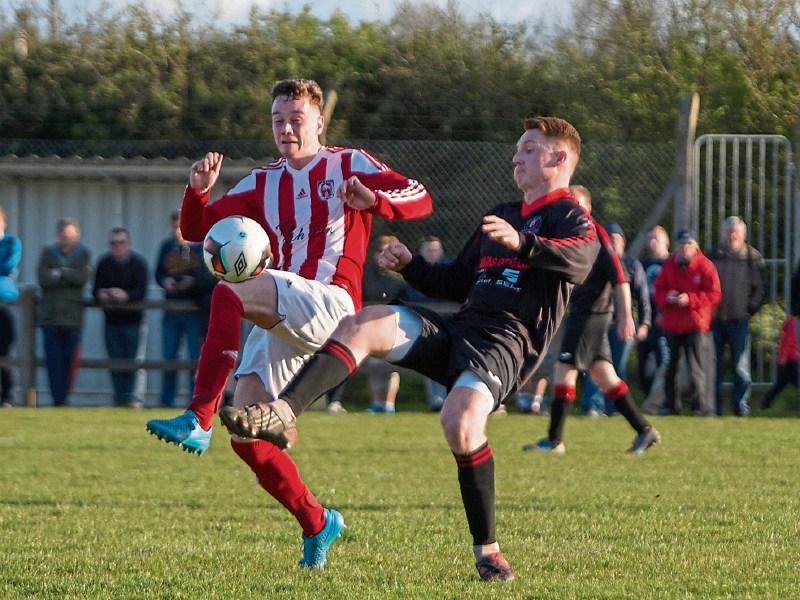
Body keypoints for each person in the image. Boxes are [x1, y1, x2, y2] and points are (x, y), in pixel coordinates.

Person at [218, 116, 598, 581]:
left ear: (558, 159)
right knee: (365, 323)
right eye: (518, 147)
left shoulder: (570, 216)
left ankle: (488, 550)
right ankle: (285, 411)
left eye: (529, 149)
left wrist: (523, 243)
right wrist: (411, 266)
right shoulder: (503, 213)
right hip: (462, 329)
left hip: (507, 344)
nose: (516, 156)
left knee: (458, 423)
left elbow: (579, 261)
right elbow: (458, 282)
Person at [146, 78, 432, 569]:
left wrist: (373, 201)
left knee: (229, 288)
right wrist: (198, 194)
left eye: (296, 119)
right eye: (278, 120)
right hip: (284, 309)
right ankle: (318, 522)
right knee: (249, 439)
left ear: (319, 122)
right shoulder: (262, 181)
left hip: (332, 305)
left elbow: (419, 197)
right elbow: (197, 232)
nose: (286, 128)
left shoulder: (349, 163)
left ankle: (197, 417)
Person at [525, 187, 659, 454]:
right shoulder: (568, 231)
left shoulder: (595, 233)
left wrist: (625, 316)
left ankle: (554, 441)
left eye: (577, 203)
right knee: (605, 376)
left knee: (564, 370)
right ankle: (645, 431)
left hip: (592, 315)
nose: (571, 208)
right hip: (586, 313)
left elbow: (620, 275)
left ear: (587, 207)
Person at [581, 222, 651, 416]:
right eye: (609, 239)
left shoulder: (631, 265)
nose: (612, 243)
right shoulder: (595, 263)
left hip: (622, 324)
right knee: (595, 366)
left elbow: (643, 296)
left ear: (623, 243)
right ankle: (593, 405)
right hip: (598, 321)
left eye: (616, 240)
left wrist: (644, 323)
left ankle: (616, 406)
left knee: (618, 367)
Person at [653, 229, 721, 416]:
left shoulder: (705, 266)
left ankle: (700, 406)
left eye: (689, 244)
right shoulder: (669, 266)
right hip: (672, 323)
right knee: (671, 365)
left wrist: (690, 299)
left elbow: (714, 294)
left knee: (696, 366)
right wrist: (668, 297)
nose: (685, 248)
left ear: (695, 246)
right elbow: (658, 290)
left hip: (695, 323)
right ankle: (671, 405)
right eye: (682, 244)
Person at [154, 210, 212, 407]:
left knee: (193, 358)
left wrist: (192, 282)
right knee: (169, 357)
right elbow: (157, 273)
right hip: (171, 309)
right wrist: (165, 281)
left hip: (193, 311)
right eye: (175, 227)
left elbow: (207, 277)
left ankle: (193, 399)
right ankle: (166, 400)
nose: (178, 231)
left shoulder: (200, 249)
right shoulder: (165, 247)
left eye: (181, 227)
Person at [710, 216, 765, 416]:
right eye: (729, 231)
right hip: (715, 319)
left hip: (739, 318)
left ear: (743, 235)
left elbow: (760, 289)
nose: (732, 235)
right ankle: (714, 406)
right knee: (713, 365)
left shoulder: (752, 257)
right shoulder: (713, 255)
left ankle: (740, 406)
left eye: (736, 232)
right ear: (723, 233)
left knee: (741, 365)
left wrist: (750, 309)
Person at [37, 217, 92, 407]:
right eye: (63, 235)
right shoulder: (47, 253)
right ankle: (57, 400)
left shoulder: (83, 254)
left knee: (70, 362)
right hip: (50, 318)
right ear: (58, 235)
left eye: (70, 235)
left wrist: (60, 272)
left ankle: (65, 397)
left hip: (72, 318)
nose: (66, 239)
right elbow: (43, 279)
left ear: (76, 235)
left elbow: (81, 278)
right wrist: (67, 274)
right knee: (53, 362)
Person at [92, 227, 149, 408]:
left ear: (128, 244)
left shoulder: (139, 264)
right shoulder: (103, 263)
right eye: (113, 243)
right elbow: (95, 289)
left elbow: (141, 291)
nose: (117, 246)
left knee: (134, 364)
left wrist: (126, 295)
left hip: (134, 321)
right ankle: (119, 399)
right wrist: (102, 294)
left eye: (121, 243)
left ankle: (134, 400)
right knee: (115, 363)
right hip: (111, 322)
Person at [361, 234, 408, 414]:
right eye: (381, 251)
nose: (385, 255)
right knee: (374, 365)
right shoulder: (365, 275)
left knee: (392, 365)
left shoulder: (402, 277)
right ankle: (376, 402)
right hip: (368, 327)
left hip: (396, 327)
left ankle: (389, 404)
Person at [404, 235, 450, 412]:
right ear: (420, 253)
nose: (432, 253)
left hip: (450, 323)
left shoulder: (450, 271)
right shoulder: (412, 272)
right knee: (431, 359)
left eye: (435, 249)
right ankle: (436, 401)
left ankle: (450, 399)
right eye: (428, 250)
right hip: (423, 324)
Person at [637, 225, 671, 396]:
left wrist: (664, 312)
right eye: (649, 238)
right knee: (642, 359)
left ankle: (662, 396)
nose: (652, 242)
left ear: (666, 241)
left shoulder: (671, 263)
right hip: (646, 319)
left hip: (664, 320)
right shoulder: (643, 264)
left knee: (663, 359)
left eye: (656, 238)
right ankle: (647, 395)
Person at [0, 207, 21, 406]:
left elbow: (7, 266)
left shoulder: (11, 243)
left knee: (6, 352)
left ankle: (8, 397)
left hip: (4, 302)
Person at [760, 315, 799, 410]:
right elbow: (788, 341)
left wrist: (783, 358)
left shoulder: (792, 322)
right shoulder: (793, 323)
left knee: (780, 384)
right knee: (781, 384)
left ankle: (765, 403)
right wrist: (784, 357)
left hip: (789, 360)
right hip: (792, 360)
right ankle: (765, 403)